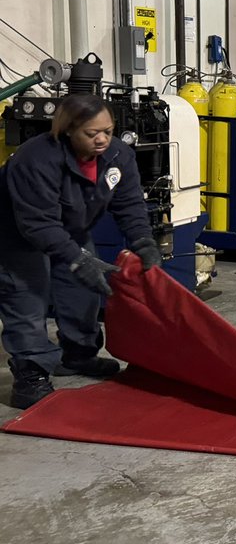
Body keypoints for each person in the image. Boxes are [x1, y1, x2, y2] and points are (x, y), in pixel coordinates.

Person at [0, 94, 162, 409]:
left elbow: (129, 203)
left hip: (69, 228)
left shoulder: (118, 156)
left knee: (82, 290)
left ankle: (78, 355)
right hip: (16, 233)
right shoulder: (36, 159)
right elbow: (38, 224)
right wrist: (76, 259)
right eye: (92, 133)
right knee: (27, 297)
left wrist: (142, 240)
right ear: (68, 130)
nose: (102, 139)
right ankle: (29, 376)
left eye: (108, 131)